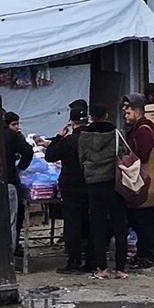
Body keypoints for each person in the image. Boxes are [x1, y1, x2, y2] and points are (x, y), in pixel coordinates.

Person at [78, 103, 128, 280]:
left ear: (90, 117)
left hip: (94, 184)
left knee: (97, 226)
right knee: (120, 225)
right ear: (106, 115)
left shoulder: (84, 136)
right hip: (114, 183)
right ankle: (120, 269)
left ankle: (102, 269)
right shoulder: (116, 134)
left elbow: (81, 158)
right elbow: (123, 154)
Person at [45, 103, 95, 274]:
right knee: (90, 224)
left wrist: (59, 137)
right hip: (91, 185)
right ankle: (91, 262)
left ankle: (73, 262)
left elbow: (50, 156)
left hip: (71, 188)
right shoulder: (93, 139)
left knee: (73, 225)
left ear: (72, 123)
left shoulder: (68, 141)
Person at [123, 93, 154, 268]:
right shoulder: (141, 127)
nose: (125, 112)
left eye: (127, 108)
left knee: (143, 218)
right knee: (148, 217)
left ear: (137, 110)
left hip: (143, 180)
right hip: (145, 179)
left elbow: (144, 154)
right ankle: (153, 251)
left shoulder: (143, 129)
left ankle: (147, 254)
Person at [2, 111, 34, 254]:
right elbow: (28, 152)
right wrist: (20, 168)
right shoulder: (13, 136)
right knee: (10, 221)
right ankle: (8, 256)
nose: (16, 127)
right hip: (8, 183)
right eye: (14, 124)